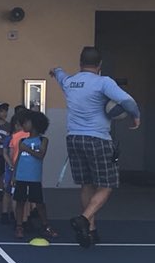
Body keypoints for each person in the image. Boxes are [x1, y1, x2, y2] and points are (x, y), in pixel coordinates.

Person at [51, 47, 141, 249]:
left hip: (74, 138)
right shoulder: (103, 82)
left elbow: (60, 74)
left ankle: (90, 230)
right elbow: (128, 101)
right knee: (107, 185)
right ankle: (83, 219)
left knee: (86, 184)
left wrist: (55, 70)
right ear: (99, 65)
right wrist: (136, 116)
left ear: (80, 62)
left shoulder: (70, 81)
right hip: (98, 139)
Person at [12, 110, 52, 240]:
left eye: (26, 122)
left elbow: (41, 155)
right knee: (20, 201)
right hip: (21, 176)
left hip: (34, 177)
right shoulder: (22, 140)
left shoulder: (43, 140)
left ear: (35, 124)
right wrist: (14, 175)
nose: (23, 124)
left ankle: (46, 226)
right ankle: (19, 226)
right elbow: (18, 159)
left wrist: (27, 149)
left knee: (39, 203)